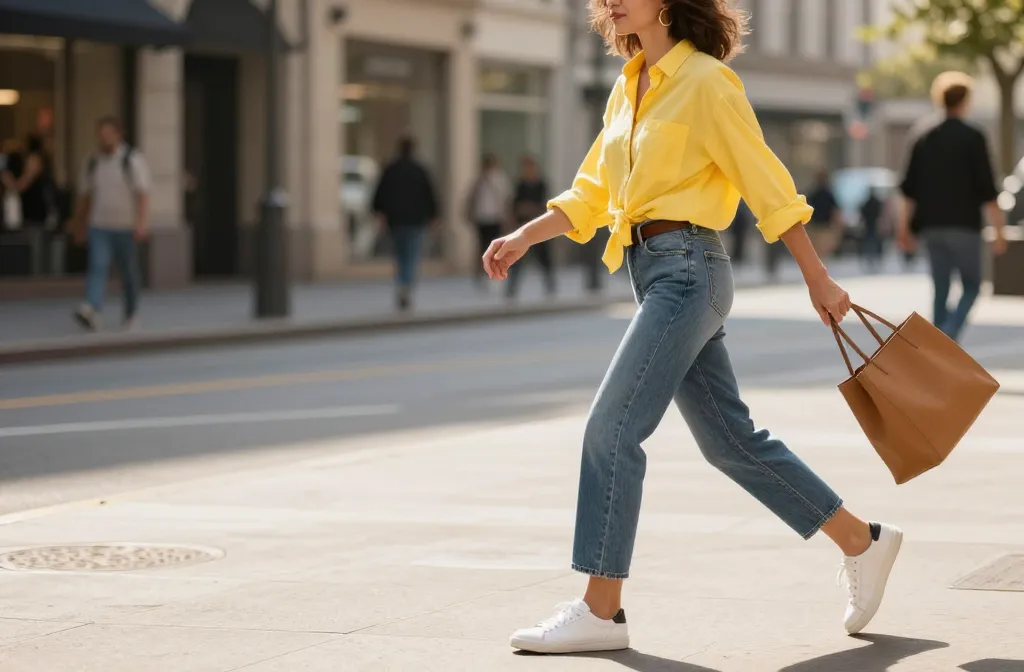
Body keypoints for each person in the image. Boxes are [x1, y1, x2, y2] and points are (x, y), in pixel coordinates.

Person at [483, 0, 902, 654]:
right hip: (654, 273)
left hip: (688, 272)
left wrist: (816, 276)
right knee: (730, 442)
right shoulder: (630, 88)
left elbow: (766, 183)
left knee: (612, 428)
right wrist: (525, 235)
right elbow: (593, 190)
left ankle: (601, 611)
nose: (612, 1)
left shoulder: (706, 82)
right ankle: (862, 541)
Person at [898, 71, 1007, 342]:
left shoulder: (924, 136)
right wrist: (999, 230)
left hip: (931, 227)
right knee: (972, 285)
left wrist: (902, 228)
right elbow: (988, 189)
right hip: (965, 226)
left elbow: (908, 189)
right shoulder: (974, 137)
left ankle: (938, 346)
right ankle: (948, 335)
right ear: (965, 100)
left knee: (941, 287)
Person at [71, 116, 151, 331]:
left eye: (108, 134)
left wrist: (141, 223)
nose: (103, 138)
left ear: (118, 134)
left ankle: (131, 313)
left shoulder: (131, 160)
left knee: (129, 273)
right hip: (100, 226)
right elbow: (84, 196)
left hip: (126, 227)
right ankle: (92, 308)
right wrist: (79, 225)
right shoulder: (92, 162)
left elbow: (142, 194)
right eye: (100, 134)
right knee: (97, 266)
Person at [371, 136, 439, 312]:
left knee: (400, 256)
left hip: (397, 220)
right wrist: (433, 216)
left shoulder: (391, 169)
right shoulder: (419, 170)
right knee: (411, 255)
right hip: (415, 221)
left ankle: (402, 283)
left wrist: (379, 212)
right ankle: (406, 285)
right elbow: (430, 195)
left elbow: (380, 193)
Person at [507, 155, 556, 299]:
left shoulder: (541, 184)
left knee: (544, 259)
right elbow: (515, 206)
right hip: (523, 227)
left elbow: (546, 206)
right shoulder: (520, 185)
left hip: (540, 228)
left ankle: (550, 286)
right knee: (517, 259)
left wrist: (530, 208)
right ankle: (511, 289)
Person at [468, 154, 512, 289]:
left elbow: (505, 198)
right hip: (484, 218)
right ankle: (483, 275)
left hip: (493, 218)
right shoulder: (481, 180)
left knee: (492, 249)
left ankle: (492, 274)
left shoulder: (497, 179)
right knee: (484, 248)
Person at [859, 187, 884, 273]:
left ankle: (871, 258)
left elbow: (863, 213)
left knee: (870, 242)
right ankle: (875, 258)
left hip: (869, 225)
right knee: (875, 242)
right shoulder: (876, 202)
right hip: (874, 225)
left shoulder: (867, 202)